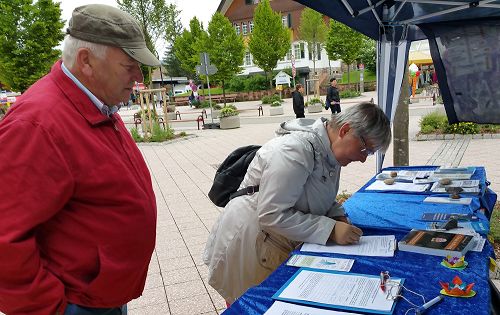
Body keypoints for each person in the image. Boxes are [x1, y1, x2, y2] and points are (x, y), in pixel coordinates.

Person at [0, 4, 159, 315]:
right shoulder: (38, 123)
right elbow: (5, 238)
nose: (139, 77)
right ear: (86, 61)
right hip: (75, 304)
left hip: (100, 296)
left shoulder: (95, 104)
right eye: (129, 65)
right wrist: (49, 309)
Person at [203, 102, 392, 304]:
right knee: (249, 304)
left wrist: (338, 216)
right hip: (252, 240)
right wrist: (330, 230)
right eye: (365, 150)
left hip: (273, 238)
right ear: (345, 130)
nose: (364, 159)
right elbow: (271, 215)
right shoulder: (294, 151)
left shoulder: (328, 149)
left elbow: (321, 193)